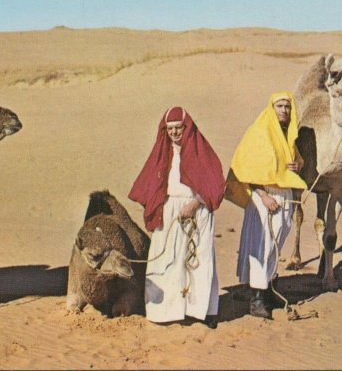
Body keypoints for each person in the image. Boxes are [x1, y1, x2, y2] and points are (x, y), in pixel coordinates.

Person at [129, 107, 226, 328]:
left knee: (197, 260)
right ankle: (165, 311)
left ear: (186, 127)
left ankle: (200, 310)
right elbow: (152, 182)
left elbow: (216, 184)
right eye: (170, 128)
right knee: (168, 260)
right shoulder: (163, 152)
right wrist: (158, 205)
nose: (174, 132)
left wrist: (195, 203)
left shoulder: (201, 151)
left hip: (197, 210)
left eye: (178, 128)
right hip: (170, 211)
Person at [225, 91, 307, 319]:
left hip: (284, 195)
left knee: (276, 245)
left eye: (287, 107)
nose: (284, 110)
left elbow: (295, 161)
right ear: (272, 108)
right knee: (262, 245)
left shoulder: (287, 134)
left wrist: (295, 167)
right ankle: (257, 300)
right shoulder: (259, 132)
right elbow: (245, 169)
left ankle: (268, 288)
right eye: (280, 106)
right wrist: (262, 195)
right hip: (265, 198)